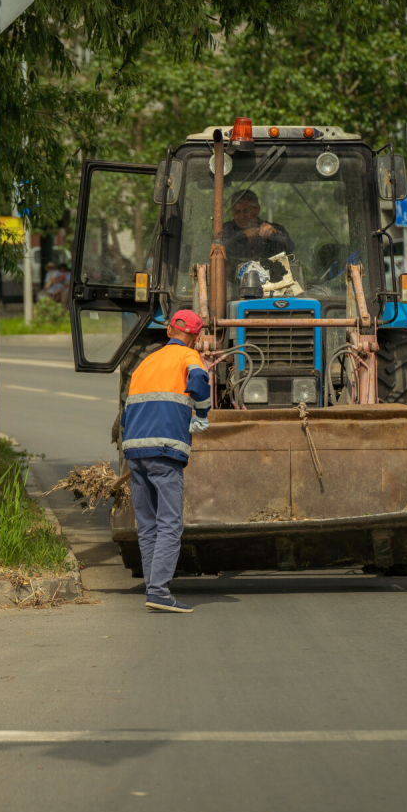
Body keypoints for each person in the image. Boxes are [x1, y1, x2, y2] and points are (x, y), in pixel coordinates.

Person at [120, 309, 212, 613]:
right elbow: (199, 382)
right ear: (195, 337)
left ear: (169, 329)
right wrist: (201, 414)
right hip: (165, 450)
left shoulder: (145, 363)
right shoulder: (188, 357)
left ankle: (152, 588)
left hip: (135, 450)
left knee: (147, 525)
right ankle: (159, 592)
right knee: (170, 523)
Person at [222, 189, 294, 270]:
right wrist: (242, 235)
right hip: (231, 281)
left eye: (246, 211)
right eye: (237, 212)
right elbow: (218, 249)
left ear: (257, 210)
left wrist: (275, 233)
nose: (242, 217)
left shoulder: (272, 229)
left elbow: (290, 248)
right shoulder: (225, 230)